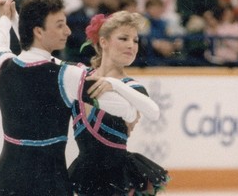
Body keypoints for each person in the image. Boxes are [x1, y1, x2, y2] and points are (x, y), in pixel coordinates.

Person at [0, 0, 159, 195]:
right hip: (49, 183)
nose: (68, 31)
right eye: (60, 25)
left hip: (5, 179)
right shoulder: (68, 74)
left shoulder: (0, 63)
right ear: (38, 31)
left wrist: (6, 18)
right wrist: (123, 100)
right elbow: (127, 111)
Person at [68, 11, 169, 196]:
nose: (131, 45)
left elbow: (154, 112)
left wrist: (114, 84)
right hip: (83, 174)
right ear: (104, 42)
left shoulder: (131, 87)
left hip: (119, 179)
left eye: (135, 40)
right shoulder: (80, 75)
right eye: (123, 38)